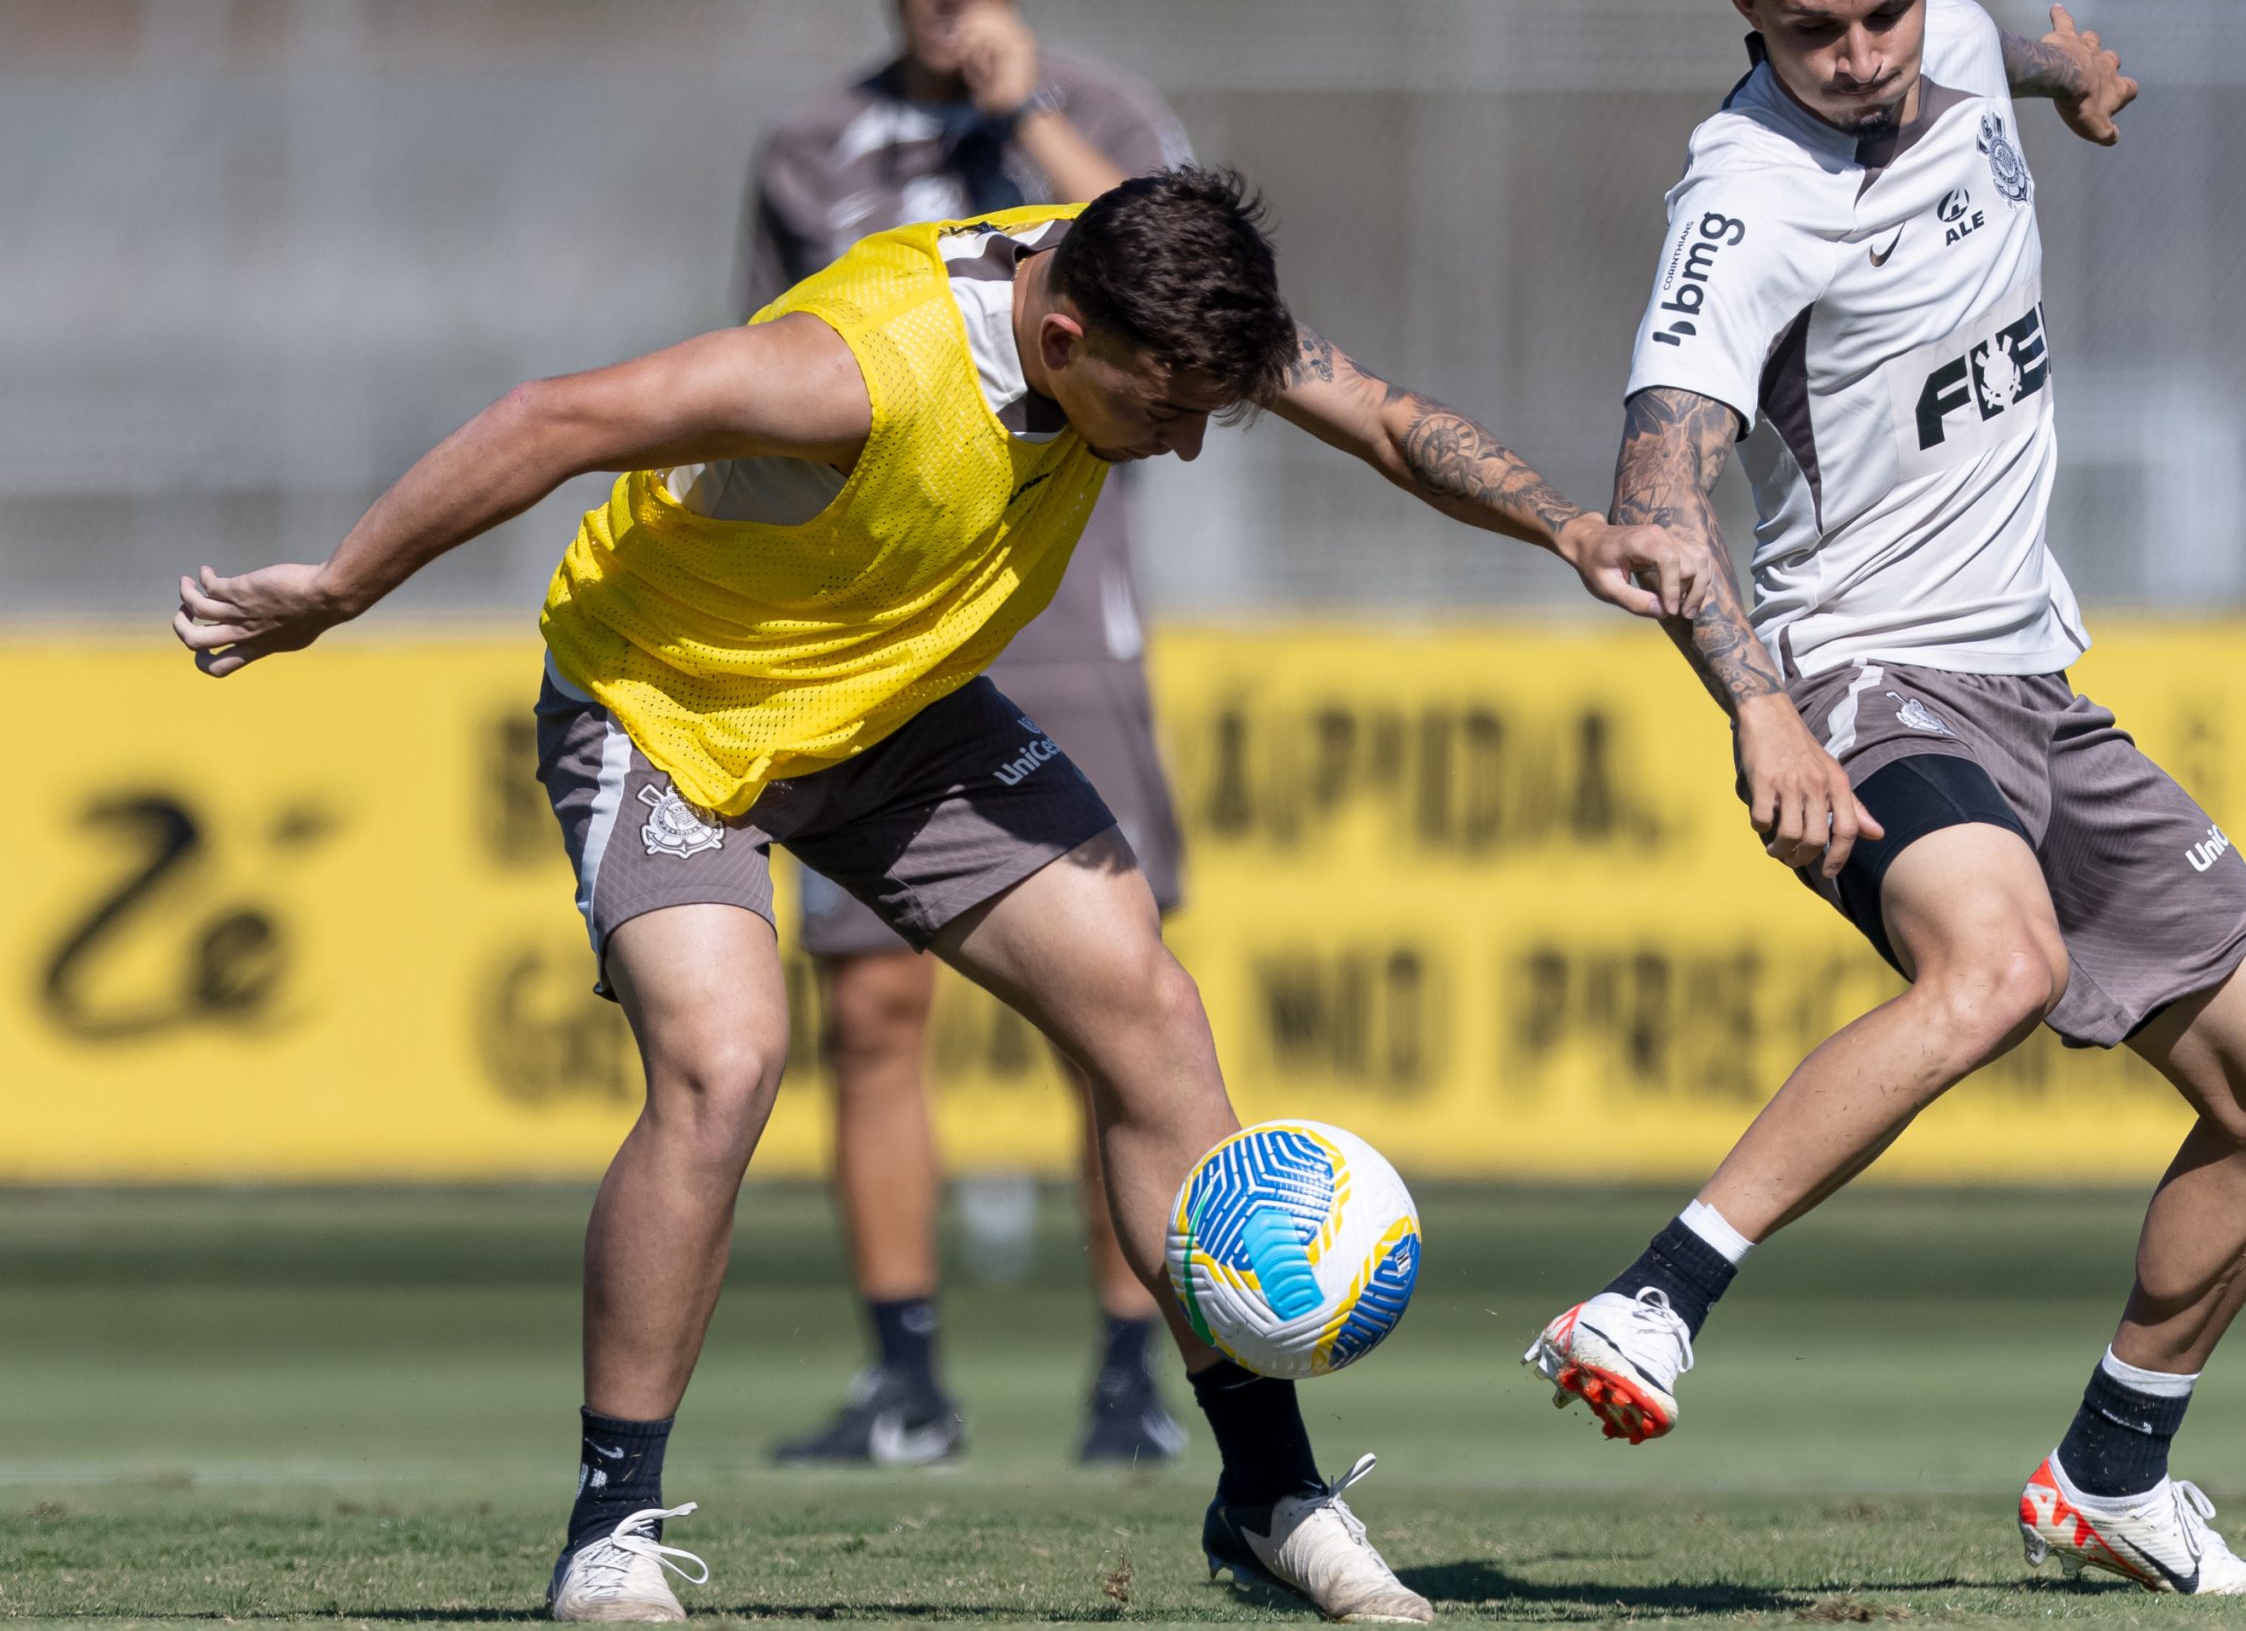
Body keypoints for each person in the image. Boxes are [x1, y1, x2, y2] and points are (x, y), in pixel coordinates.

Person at [176, 168, 1715, 1624]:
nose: (1180, 448)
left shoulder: (1141, 285)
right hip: (674, 709)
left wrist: (1569, 526)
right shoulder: (853, 367)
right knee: (726, 1060)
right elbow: (557, 414)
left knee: (1146, 1010)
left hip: (897, 708)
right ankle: (611, 1522)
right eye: (1164, 412)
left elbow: (1376, 414)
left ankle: (1265, 1491)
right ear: (1064, 339)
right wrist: (341, 585)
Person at [1521, 0, 2246, 1600]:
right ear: (1743, 2)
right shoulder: (1741, 202)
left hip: (2031, 675)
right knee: (2001, 965)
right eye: (1814, 29)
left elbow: (2009, 52)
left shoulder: (1956, 42)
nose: (1860, 60)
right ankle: (1655, 1299)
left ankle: (2113, 1472)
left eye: (1887, 13)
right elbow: (1661, 502)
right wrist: (1760, 711)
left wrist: (2079, 74)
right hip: (1867, 675)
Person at [745, 0, 1196, 1470]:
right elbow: (763, 377)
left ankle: (1137, 1373)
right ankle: (904, 1381)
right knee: (866, 1008)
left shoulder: (1107, 120)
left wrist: (1022, 112)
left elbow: (1176, 290)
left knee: (1116, 1002)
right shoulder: (809, 147)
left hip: (1069, 621)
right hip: (872, 644)